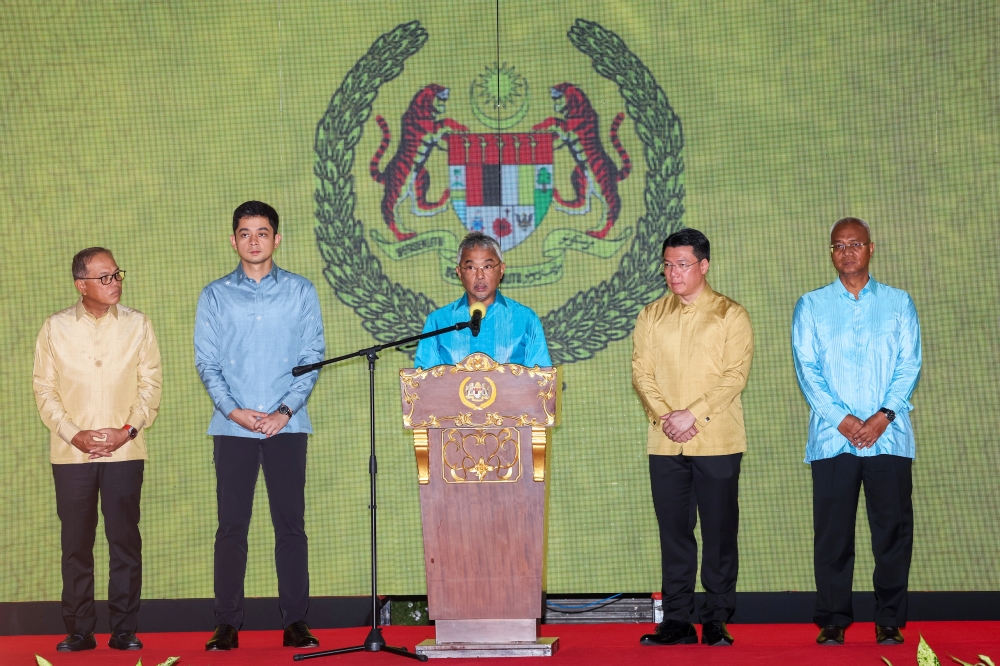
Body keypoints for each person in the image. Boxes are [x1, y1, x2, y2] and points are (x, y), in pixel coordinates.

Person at [194, 201, 325, 651]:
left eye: (262, 232)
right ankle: (227, 624)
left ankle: (295, 623)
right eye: (245, 233)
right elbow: (207, 363)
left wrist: (283, 411)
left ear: (277, 239)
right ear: (233, 240)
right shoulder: (213, 295)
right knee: (231, 527)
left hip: (287, 426)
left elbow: (312, 359)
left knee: (290, 525)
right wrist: (234, 411)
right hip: (233, 429)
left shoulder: (301, 292)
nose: (254, 241)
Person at [792, 217, 921, 646]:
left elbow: (909, 365)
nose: (847, 252)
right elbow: (807, 371)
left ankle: (889, 620)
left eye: (855, 244)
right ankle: (833, 619)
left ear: (871, 248)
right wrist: (844, 421)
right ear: (831, 253)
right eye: (838, 246)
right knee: (833, 536)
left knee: (892, 535)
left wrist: (882, 416)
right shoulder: (810, 305)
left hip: (889, 436)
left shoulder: (900, 303)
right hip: (833, 439)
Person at [33, 248, 161, 652]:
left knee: (125, 542)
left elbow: (150, 386)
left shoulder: (138, 325)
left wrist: (127, 430)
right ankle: (80, 630)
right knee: (75, 545)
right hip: (71, 455)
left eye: (117, 274)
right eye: (104, 277)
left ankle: (124, 629)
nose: (115, 282)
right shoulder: (54, 328)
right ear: (80, 285)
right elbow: (44, 390)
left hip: (126, 451)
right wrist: (75, 434)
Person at [632, 228, 754, 647]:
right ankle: (678, 620)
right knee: (674, 534)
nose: (673, 273)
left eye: (682, 264)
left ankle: (717, 618)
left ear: (704, 265)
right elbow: (641, 373)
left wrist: (692, 414)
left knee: (720, 533)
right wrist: (666, 416)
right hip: (665, 442)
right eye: (667, 264)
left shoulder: (730, 314)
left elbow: (734, 377)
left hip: (717, 440)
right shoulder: (650, 315)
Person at [413, 231, 551, 367]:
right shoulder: (438, 322)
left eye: (487, 266)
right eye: (471, 267)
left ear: (502, 269)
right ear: (459, 272)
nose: (480, 275)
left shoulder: (526, 319)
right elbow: (424, 382)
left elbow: (541, 380)